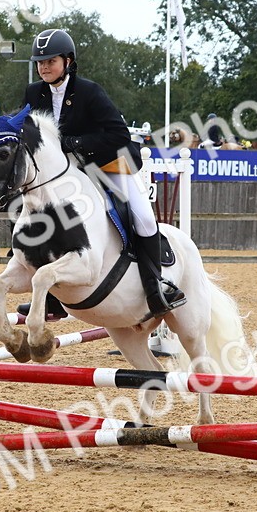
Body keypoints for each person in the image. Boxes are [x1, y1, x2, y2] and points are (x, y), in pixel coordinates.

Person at [22, 28, 184, 319]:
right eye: (40, 62)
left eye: (50, 61)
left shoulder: (89, 91)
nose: (44, 67)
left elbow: (119, 135)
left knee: (144, 217)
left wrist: (75, 143)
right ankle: (50, 295)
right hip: (67, 172)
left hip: (107, 162)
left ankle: (155, 286)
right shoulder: (34, 93)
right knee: (33, 207)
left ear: (68, 61)